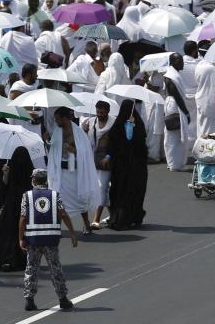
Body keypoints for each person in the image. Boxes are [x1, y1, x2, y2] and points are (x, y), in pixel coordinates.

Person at [20, 169, 77, 311]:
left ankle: (29, 300)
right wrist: (72, 233)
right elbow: (63, 214)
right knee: (55, 268)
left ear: (34, 179)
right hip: (51, 239)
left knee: (31, 268)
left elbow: (22, 218)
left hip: (33, 240)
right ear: (46, 180)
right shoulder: (54, 195)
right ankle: (63, 299)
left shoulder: (27, 196)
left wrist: (21, 238)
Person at [48, 107, 100, 234]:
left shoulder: (78, 132)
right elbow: (53, 150)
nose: (56, 122)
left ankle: (87, 224)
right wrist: (47, 142)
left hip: (76, 172)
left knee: (80, 199)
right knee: (58, 198)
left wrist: (73, 150)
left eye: (57, 119)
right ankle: (57, 228)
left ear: (64, 118)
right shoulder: (57, 131)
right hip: (61, 172)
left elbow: (86, 152)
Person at [103, 99, 148, 230]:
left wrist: (132, 129)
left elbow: (141, 143)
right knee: (119, 192)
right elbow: (112, 144)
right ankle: (119, 218)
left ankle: (132, 217)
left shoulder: (138, 124)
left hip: (135, 167)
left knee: (133, 192)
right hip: (121, 167)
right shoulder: (118, 125)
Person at [0, 147, 33, 272]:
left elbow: (2, 189)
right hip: (26, 206)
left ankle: (7, 259)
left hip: (11, 206)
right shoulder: (30, 171)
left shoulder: (10, 169)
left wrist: (5, 175)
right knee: (24, 234)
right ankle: (22, 260)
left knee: (8, 234)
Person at [81, 101, 114, 229]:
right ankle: (113, 215)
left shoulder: (113, 123)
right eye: (98, 112)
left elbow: (116, 143)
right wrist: (83, 131)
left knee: (102, 188)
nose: (99, 115)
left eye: (102, 112)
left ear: (107, 112)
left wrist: (108, 156)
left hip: (106, 162)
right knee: (99, 189)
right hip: (92, 160)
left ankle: (96, 219)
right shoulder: (90, 122)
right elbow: (85, 141)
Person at [164, 53, 192, 171]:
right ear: (173, 62)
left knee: (174, 136)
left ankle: (174, 162)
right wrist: (186, 112)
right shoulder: (171, 75)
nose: (182, 63)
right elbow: (176, 96)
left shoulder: (173, 74)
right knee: (174, 135)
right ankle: (175, 164)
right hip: (174, 106)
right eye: (179, 60)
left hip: (173, 104)